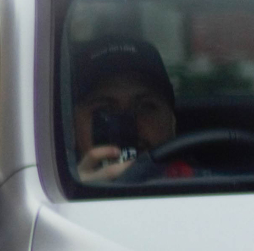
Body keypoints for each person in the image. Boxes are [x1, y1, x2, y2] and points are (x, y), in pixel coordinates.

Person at [71, 41, 182, 184]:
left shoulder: (201, 186)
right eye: (104, 110)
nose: (127, 126)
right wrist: (77, 190)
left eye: (145, 107)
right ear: (72, 128)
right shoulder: (54, 192)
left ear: (172, 122)